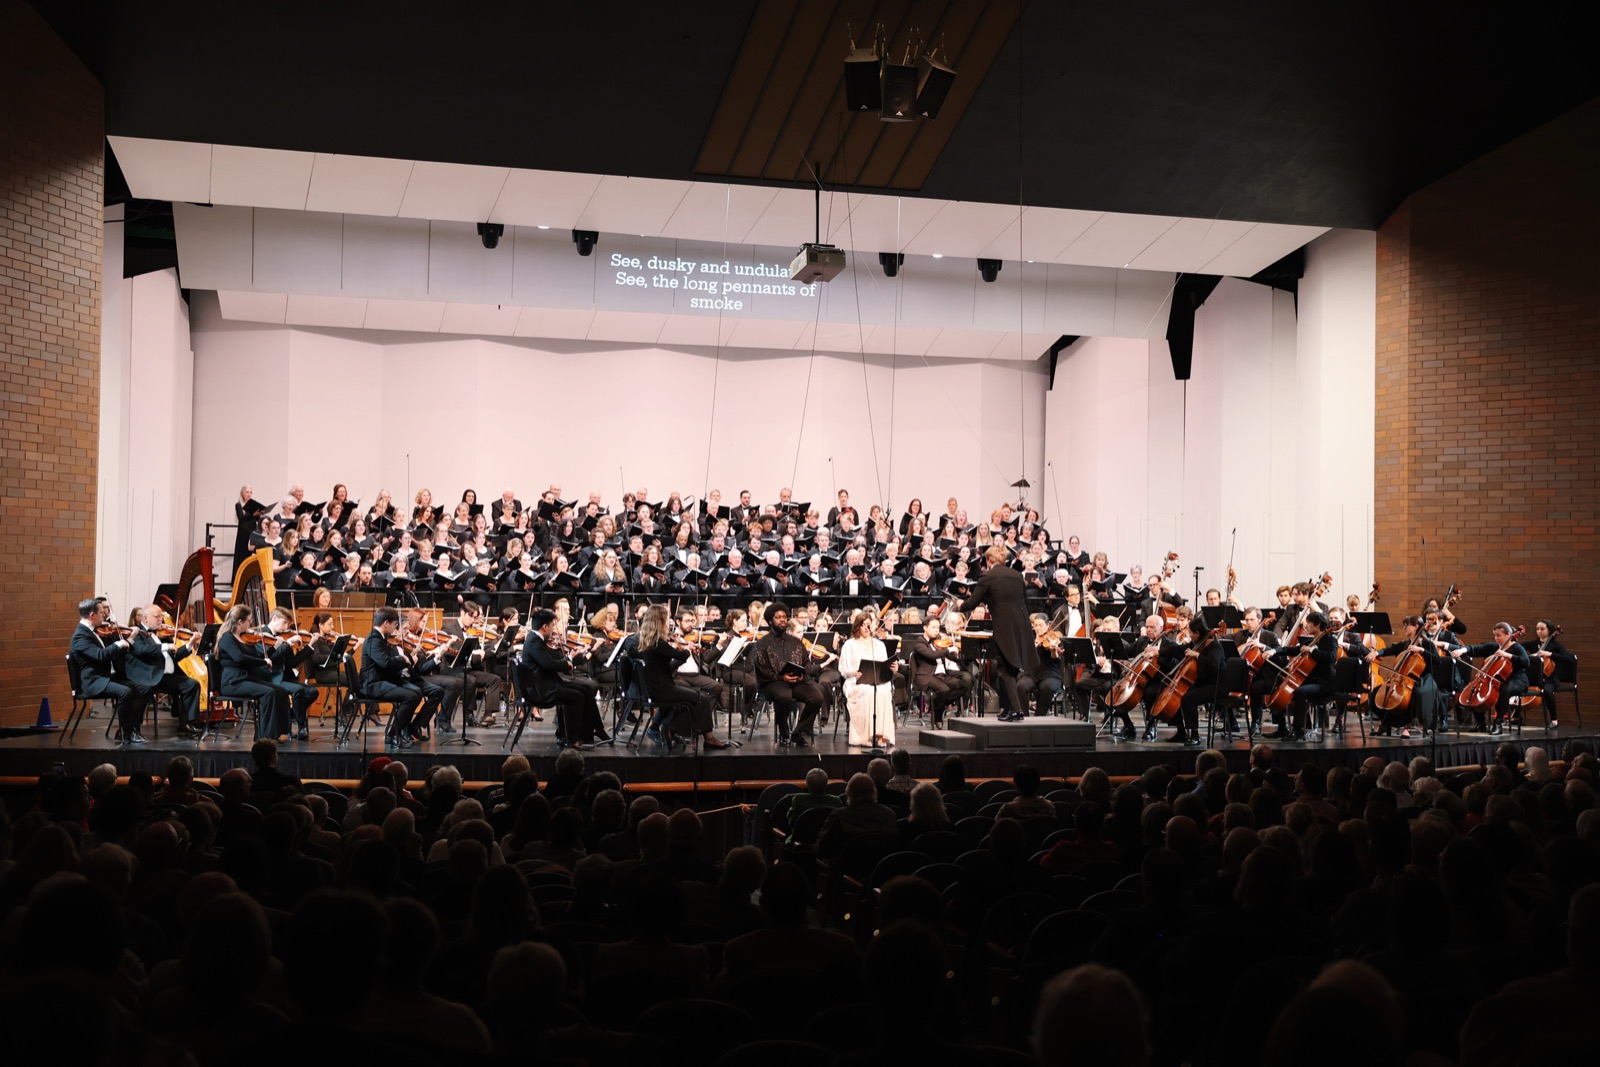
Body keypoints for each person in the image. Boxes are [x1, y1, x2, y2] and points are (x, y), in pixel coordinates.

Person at [960, 544, 1038, 722]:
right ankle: (1009, 708)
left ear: (990, 560)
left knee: (1003, 669)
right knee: (1011, 668)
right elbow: (1024, 600)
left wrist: (960, 606)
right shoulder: (1017, 575)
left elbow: (973, 602)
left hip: (1004, 627)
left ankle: (1017, 710)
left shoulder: (988, 576)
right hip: (1022, 625)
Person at [635, 605, 731, 749]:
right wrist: (687, 649)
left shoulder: (649, 642)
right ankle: (696, 734)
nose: (669, 623)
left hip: (657, 688)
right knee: (701, 699)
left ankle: (684, 730)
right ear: (659, 621)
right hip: (664, 690)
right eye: (666, 620)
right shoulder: (659, 644)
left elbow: (667, 664)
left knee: (699, 698)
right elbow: (680, 656)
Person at [522, 608, 608, 748]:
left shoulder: (535, 639)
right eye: (551, 625)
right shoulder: (534, 642)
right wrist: (567, 662)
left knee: (585, 689)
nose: (552, 629)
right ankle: (572, 738)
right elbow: (548, 664)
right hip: (542, 689)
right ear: (545, 627)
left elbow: (548, 662)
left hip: (545, 683)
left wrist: (569, 659)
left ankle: (590, 731)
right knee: (577, 696)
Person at [122, 603, 203, 739]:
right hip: (147, 676)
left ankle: (186, 724)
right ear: (146, 618)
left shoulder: (162, 634)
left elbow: (175, 656)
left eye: (161, 617)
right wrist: (165, 646)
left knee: (191, 684)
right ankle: (133, 729)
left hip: (165, 677)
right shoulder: (135, 633)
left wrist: (190, 644)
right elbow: (142, 651)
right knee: (143, 691)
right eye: (157, 617)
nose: (161, 619)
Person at [71, 596, 144, 742]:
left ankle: (133, 729)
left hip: (105, 677)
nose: (104, 615)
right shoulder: (80, 636)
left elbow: (110, 655)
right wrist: (118, 644)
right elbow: (100, 655)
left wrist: (128, 640)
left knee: (143, 689)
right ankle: (126, 734)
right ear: (92, 615)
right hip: (92, 682)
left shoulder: (93, 631)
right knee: (125, 692)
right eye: (101, 613)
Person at [753, 602, 825, 747]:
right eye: (778, 617)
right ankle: (784, 734)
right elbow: (763, 671)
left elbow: (806, 663)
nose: (782, 620)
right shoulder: (762, 644)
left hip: (795, 681)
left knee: (817, 697)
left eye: (784, 617)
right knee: (783, 696)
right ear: (770, 621)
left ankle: (799, 732)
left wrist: (803, 675)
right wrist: (781, 677)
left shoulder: (796, 642)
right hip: (772, 683)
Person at [216, 606, 290, 743]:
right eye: (249, 621)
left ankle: (280, 732)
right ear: (240, 622)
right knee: (268, 693)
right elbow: (239, 657)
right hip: (233, 681)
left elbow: (258, 657)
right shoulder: (227, 638)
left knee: (281, 691)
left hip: (247, 678)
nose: (251, 624)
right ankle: (265, 737)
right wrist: (263, 661)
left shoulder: (246, 638)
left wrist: (273, 649)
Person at [361, 607, 425, 748]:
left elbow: (387, 661)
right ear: (386, 623)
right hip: (372, 684)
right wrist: (402, 659)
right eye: (395, 625)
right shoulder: (373, 638)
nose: (396, 628)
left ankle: (399, 731)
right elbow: (385, 663)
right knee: (410, 696)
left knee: (417, 692)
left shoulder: (380, 637)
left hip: (382, 679)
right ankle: (392, 734)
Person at [1452, 621, 1532, 734]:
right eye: (1495, 635)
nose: (1496, 638)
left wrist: (1507, 655)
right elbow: (1477, 648)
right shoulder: (1495, 647)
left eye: (1499, 635)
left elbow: (1526, 662)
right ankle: (1481, 723)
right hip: (1497, 680)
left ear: (1509, 635)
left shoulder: (1517, 648)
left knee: (1505, 689)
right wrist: (1462, 650)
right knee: (1476, 691)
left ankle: (1498, 723)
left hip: (1517, 680)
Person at [262, 607, 321, 740]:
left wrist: (310, 645)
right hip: (272, 678)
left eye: (288, 624)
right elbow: (270, 656)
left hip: (285, 677)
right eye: (284, 623)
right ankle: (301, 727)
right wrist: (287, 643)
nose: (286, 627)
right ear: (275, 619)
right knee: (299, 690)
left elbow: (292, 662)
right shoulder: (262, 634)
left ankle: (288, 714)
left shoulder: (283, 636)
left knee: (313, 692)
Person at [840, 611, 896, 748]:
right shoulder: (849, 644)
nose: (866, 628)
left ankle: (881, 735)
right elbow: (842, 669)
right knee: (867, 691)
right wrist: (852, 672)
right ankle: (865, 735)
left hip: (877, 680)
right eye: (863, 625)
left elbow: (884, 665)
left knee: (883, 691)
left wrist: (893, 668)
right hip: (856, 681)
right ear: (857, 626)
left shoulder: (878, 645)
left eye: (869, 625)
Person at [909, 615, 967, 726]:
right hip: (926, 676)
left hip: (941, 675)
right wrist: (948, 649)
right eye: (933, 627)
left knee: (962, 685)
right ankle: (938, 715)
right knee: (944, 690)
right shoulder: (919, 643)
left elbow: (950, 656)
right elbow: (931, 655)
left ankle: (937, 705)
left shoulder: (939, 641)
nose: (936, 630)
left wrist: (959, 654)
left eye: (938, 628)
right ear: (925, 628)